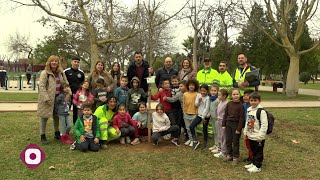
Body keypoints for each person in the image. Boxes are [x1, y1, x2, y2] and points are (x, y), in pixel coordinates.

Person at [37, 55, 69, 144]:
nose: (54, 63)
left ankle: (56, 132)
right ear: (49, 62)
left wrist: (66, 89)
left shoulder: (61, 72)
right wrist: (46, 98)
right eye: (52, 61)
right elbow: (42, 86)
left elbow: (65, 83)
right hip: (47, 99)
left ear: (58, 63)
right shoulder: (45, 73)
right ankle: (42, 135)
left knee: (56, 116)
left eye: (56, 61)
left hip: (58, 98)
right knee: (44, 117)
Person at [243, 92, 268, 173]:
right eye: (251, 100)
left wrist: (260, 136)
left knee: (258, 152)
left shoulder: (261, 111)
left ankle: (258, 166)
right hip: (250, 135)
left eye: (255, 100)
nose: (253, 102)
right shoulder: (249, 110)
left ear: (259, 101)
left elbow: (264, 124)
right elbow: (247, 121)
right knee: (253, 150)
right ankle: (253, 163)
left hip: (258, 137)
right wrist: (245, 131)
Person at [222, 88, 244, 165]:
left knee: (235, 142)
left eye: (237, 94)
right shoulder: (229, 104)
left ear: (240, 95)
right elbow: (225, 114)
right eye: (234, 94)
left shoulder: (241, 106)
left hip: (236, 125)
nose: (235, 96)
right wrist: (223, 124)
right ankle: (229, 155)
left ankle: (235, 157)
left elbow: (241, 118)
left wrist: (238, 129)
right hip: (228, 124)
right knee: (228, 140)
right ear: (231, 96)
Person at [64, 57, 85, 124]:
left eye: (78, 62)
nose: (76, 63)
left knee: (77, 112)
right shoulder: (66, 71)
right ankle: (65, 128)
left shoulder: (81, 73)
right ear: (71, 62)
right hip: (68, 95)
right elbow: (63, 82)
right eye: (75, 61)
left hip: (78, 96)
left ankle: (76, 127)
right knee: (66, 110)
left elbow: (83, 83)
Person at [189, 84, 210, 150]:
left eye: (204, 91)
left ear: (207, 91)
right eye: (201, 91)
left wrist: (203, 117)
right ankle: (195, 140)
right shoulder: (198, 95)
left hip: (205, 116)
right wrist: (199, 100)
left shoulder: (208, 98)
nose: (203, 92)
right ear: (199, 90)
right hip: (199, 115)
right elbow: (196, 104)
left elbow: (207, 108)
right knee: (191, 126)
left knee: (204, 129)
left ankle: (205, 142)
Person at [183, 79, 199, 147]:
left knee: (193, 128)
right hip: (186, 113)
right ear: (188, 86)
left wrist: (197, 113)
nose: (191, 86)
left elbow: (198, 105)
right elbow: (183, 103)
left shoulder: (197, 94)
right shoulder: (185, 94)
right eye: (190, 85)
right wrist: (184, 112)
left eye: (193, 85)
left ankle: (195, 140)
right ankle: (191, 139)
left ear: (195, 86)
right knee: (188, 128)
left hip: (194, 114)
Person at [213, 89, 229, 158]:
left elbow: (225, 114)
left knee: (223, 136)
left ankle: (224, 151)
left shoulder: (226, 104)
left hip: (223, 121)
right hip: (219, 120)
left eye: (219, 95)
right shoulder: (220, 102)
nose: (218, 96)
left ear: (224, 96)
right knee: (219, 135)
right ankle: (220, 148)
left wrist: (224, 123)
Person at [207, 84, 220, 152]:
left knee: (218, 133)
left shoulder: (217, 100)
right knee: (215, 132)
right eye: (212, 90)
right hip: (213, 118)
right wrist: (209, 114)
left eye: (215, 90)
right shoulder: (210, 99)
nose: (213, 92)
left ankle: (219, 146)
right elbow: (209, 108)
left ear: (217, 91)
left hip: (217, 119)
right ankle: (216, 144)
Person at [243, 90, 254, 163]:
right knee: (247, 142)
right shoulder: (243, 105)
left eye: (247, 95)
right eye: (244, 95)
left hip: (252, 127)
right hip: (245, 127)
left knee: (252, 143)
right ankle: (250, 156)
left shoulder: (253, 106)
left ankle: (253, 157)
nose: (245, 97)